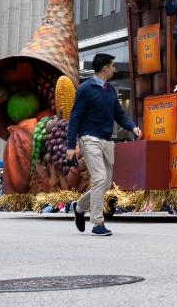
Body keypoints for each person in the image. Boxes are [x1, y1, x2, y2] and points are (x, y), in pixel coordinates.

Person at [66, 53, 142, 236]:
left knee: (106, 183)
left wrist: (133, 127)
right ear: (105, 68)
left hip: (106, 141)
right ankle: (98, 223)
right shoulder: (85, 89)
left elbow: (119, 114)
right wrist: (70, 146)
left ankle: (79, 207)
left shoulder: (111, 90)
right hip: (89, 139)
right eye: (112, 65)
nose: (114, 69)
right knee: (100, 178)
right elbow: (75, 117)